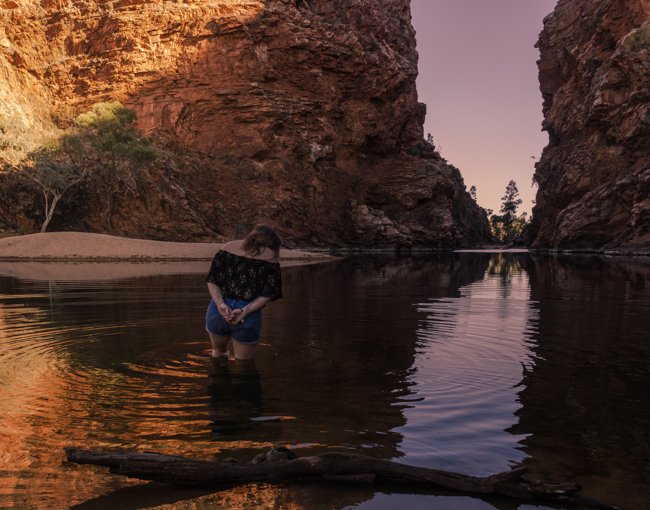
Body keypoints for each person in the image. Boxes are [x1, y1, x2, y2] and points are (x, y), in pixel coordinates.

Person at [205, 225, 282, 360]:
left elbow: (212, 280)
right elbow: (269, 293)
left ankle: (217, 379)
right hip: (248, 314)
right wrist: (244, 311)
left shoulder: (226, 248)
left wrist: (220, 304)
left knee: (218, 354)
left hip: (218, 312)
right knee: (244, 364)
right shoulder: (271, 257)